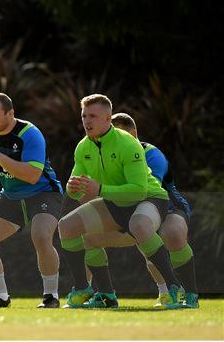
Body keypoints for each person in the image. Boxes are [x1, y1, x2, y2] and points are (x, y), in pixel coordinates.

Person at [59, 94, 183, 309]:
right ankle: (97, 293)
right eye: (84, 116)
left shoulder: (128, 144)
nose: (87, 121)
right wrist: (73, 188)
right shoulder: (82, 147)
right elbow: (78, 186)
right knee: (67, 226)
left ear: (108, 119)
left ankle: (174, 288)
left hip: (150, 199)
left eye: (93, 116)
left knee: (139, 224)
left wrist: (99, 189)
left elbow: (138, 190)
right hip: (113, 203)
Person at [81, 113, 198, 308]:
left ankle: (189, 294)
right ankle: (105, 295)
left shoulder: (151, 154)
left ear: (133, 133)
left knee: (171, 233)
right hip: (129, 213)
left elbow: (147, 193)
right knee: (88, 236)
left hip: (167, 209)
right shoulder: (103, 154)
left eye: (118, 133)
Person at [0, 93, 64, 308]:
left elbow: (33, 175)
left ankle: (50, 296)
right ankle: (0, 296)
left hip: (44, 192)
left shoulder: (30, 133)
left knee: (41, 236)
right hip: (11, 196)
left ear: (11, 113)